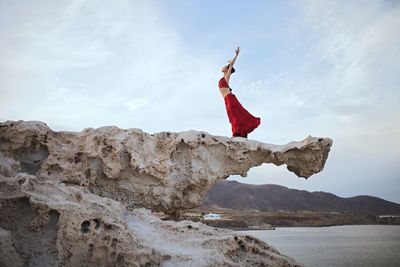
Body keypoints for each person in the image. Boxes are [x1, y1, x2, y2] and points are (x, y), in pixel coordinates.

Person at [218, 47, 261, 138]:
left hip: (230, 98)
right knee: (233, 117)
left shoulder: (226, 77)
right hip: (227, 100)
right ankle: (240, 133)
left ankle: (240, 133)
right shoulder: (223, 78)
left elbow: (231, 64)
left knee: (237, 115)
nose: (223, 67)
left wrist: (236, 55)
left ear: (227, 69)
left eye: (225, 67)